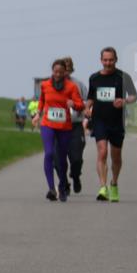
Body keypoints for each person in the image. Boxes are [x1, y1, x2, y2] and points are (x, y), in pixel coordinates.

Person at [85, 47, 137, 202]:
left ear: (116, 60)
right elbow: (90, 97)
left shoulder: (123, 77)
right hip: (99, 120)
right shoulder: (94, 78)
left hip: (117, 122)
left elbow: (134, 96)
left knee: (116, 157)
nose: (108, 63)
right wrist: (87, 108)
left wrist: (125, 101)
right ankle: (103, 187)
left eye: (111, 60)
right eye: (105, 60)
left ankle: (114, 183)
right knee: (102, 152)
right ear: (101, 60)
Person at [32, 59, 83, 202]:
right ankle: (51, 189)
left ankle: (62, 185)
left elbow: (80, 105)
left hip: (64, 127)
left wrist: (74, 104)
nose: (58, 74)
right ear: (52, 71)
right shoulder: (45, 85)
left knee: (61, 158)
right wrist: (37, 114)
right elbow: (42, 101)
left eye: (61, 72)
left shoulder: (71, 87)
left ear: (65, 72)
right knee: (49, 154)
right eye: (55, 72)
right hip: (47, 125)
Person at [60, 57, 88, 194]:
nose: (64, 72)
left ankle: (75, 176)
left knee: (76, 158)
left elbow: (87, 102)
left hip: (75, 125)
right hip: (58, 127)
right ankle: (64, 182)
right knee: (57, 159)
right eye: (62, 69)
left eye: (67, 69)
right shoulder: (51, 84)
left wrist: (83, 110)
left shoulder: (79, 85)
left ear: (71, 70)